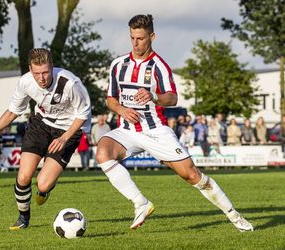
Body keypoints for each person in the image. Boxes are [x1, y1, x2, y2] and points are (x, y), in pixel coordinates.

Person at [95, 14, 253, 231]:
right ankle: (141, 203)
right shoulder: (118, 65)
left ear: (152, 36)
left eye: (140, 38)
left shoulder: (159, 66)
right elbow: (110, 99)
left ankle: (234, 215)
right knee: (103, 152)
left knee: (192, 175)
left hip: (156, 131)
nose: (135, 43)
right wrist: (121, 109)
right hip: (127, 130)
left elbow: (172, 98)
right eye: (132, 38)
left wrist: (154, 96)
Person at [0, 48, 91, 230]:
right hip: (40, 125)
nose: (41, 78)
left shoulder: (70, 83)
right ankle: (23, 217)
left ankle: (45, 189)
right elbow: (13, 111)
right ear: (30, 69)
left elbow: (83, 114)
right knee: (24, 176)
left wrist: (65, 137)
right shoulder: (26, 82)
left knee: (42, 185)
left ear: (52, 67)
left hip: (68, 131)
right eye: (36, 73)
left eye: (45, 72)